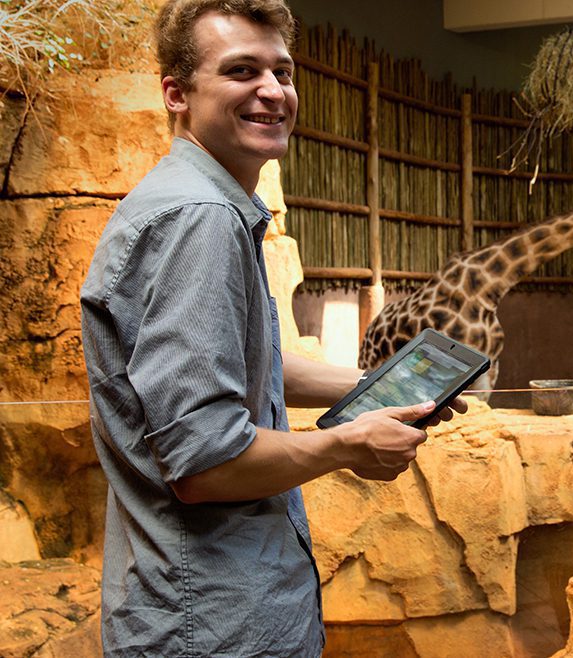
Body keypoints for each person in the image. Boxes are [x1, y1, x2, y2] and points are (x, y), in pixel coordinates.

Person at [79, 1, 465, 655]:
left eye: (282, 72)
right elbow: (205, 463)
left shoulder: (208, 204)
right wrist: (346, 444)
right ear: (177, 92)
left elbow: (245, 362)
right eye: (241, 70)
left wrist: (377, 384)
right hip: (213, 623)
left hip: (202, 609)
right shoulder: (198, 218)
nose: (272, 91)